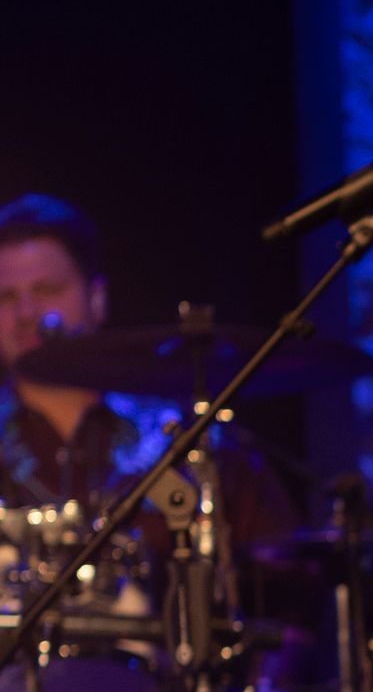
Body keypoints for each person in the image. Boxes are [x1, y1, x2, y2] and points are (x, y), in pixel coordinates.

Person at [0, 192, 294, 550]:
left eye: (47, 290)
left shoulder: (184, 437)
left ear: (96, 299)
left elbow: (286, 574)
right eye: (6, 298)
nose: (27, 312)